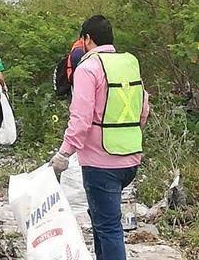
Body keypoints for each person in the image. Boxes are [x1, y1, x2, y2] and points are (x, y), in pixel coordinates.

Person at [51, 15, 149, 260]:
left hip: (101, 162)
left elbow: (80, 118)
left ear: (87, 38)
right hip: (131, 158)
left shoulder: (88, 67)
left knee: (108, 227)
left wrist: (64, 153)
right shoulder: (129, 62)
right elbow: (143, 106)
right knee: (102, 221)